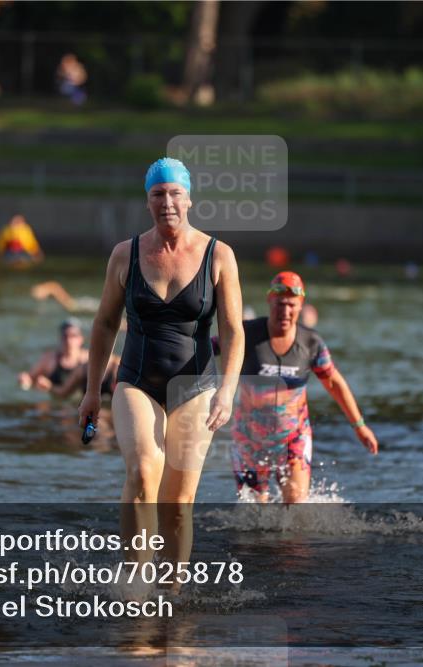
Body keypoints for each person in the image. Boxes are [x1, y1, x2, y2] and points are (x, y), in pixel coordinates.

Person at [79, 157, 244, 580]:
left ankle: (172, 592)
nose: (166, 202)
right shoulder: (125, 254)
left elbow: (233, 330)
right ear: (147, 201)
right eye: (158, 194)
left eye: (175, 193)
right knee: (142, 472)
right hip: (136, 381)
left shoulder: (218, 255)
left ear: (189, 199)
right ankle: (135, 585)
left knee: (178, 501)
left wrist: (227, 391)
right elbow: (103, 324)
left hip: (196, 386)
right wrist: (91, 390)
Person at [225, 271, 377, 503]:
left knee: (296, 507)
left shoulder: (311, 343)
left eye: (291, 305)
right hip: (249, 439)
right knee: (254, 513)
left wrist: (359, 426)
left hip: (293, 437)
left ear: (301, 305)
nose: (285, 312)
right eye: (280, 304)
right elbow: (206, 349)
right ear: (269, 301)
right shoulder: (246, 334)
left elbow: (334, 383)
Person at [20, 318, 118, 398]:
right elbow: (30, 377)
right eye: (65, 336)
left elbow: (115, 360)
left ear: (81, 339)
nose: (68, 340)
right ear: (60, 338)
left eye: (73, 336)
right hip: (60, 394)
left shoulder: (89, 358)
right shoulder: (49, 359)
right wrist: (25, 379)